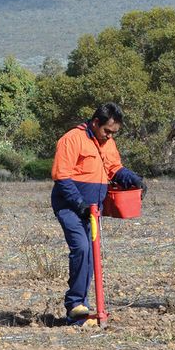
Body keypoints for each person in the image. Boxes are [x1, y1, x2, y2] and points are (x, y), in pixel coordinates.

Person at [50, 102, 145, 326]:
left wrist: (133, 178)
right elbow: (61, 176)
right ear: (95, 123)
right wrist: (80, 204)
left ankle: (81, 311)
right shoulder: (71, 139)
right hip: (70, 206)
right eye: (107, 131)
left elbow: (113, 167)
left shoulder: (107, 142)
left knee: (92, 254)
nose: (109, 136)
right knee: (82, 248)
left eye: (114, 133)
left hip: (94, 209)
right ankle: (75, 305)